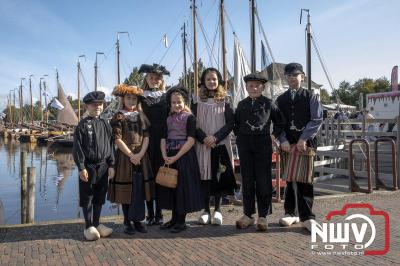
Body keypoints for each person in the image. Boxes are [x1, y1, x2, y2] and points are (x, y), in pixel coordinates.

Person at [234, 72, 285, 231]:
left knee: (263, 181)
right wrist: (241, 136)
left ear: (263, 87)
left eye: (257, 85)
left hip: (263, 144)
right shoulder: (241, 105)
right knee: (247, 180)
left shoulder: (269, 103)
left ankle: (263, 215)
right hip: (245, 145)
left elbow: (280, 122)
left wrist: (273, 135)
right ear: (246, 87)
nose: (254, 88)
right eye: (251, 85)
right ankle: (248, 214)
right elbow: (235, 123)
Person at [276, 63, 323, 232]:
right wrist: (282, 140)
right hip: (288, 143)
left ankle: (307, 217)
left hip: (306, 143)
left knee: (304, 179)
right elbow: (278, 122)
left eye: (295, 75)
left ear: (302, 77)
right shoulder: (280, 99)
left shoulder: (311, 96)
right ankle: (290, 213)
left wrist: (304, 138)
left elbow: (316, 119)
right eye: (288, 75)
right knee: (289, 178)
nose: (291, 78)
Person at [192, 67, 236, 225]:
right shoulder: (196, 102)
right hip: (203, 144)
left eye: (214, 79)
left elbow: (230, 123)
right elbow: (192, 124)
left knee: (219, 175)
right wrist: (204, 138)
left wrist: (216, 137)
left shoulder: (225, 101)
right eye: (208, 79)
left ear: (219, 82)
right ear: (203, 81)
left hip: (220, 144)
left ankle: (217, 209)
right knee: (204, 176)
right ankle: (205, 210)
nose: (211, 82)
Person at [158, 86, 204, 233]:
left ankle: (181, 221)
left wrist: (176, 156)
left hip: (184, 156)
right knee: (171, 187)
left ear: (184, 102)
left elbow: (191, 140)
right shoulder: (167, 118)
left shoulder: (189, 118)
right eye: (173, 102)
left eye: (179, 102)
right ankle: (173, 219)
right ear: (170, 104)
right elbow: (163, 138)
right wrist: (165, 155)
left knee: (182, 188)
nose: (176, 105)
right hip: (169, 155)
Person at [108, 84, 152, 234]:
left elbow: (146, 137)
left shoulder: (141, 116)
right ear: (123, 99)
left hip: (141, 156)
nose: (131, 101)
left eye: (134, 98)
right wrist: (131, 155)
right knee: (126, 190)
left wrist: (140, 155)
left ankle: (138, 220)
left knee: (139, 190)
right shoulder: (118, 116)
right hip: (125, 157)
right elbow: (117, 139)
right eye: (128, 98)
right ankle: (127, 221)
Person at [73, 91, 115, 241]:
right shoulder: (82, 125)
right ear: (87, 106)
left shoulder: (105, 124)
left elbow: (111, 145)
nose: (97, 107)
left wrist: (111, 164)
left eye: (100, 104)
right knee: (88, 196)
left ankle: (97, 224)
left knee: (99, 196)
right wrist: (81, 167)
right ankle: (88, 226)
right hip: (89, 167)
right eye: (94, 104)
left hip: (103, 166)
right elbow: (77, 148)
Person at [139, 63, 170, 225]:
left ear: (161, 80)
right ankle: (149, 213)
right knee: (147, 176)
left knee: (161, 176)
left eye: (157, 78)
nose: (154, 80)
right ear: (147, 79)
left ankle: (160, 213)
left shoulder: (166, 96)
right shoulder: (140, 96)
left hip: (163, 140)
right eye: (151, 77)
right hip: (146, 140)